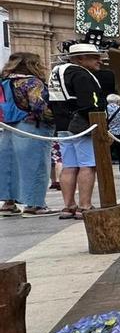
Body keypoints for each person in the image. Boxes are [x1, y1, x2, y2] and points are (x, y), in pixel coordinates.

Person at [47, 43, 105, 218]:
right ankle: (84, 205)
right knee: (88, 165)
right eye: (95, 57)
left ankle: (68, 206)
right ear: (80, 58)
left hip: (63, 125)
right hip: (82, 125)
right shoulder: (81, 74)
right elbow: (89, 102)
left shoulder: (56, 72)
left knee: (69, 166)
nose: (99, 61)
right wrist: (99, 123)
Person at [0, 52, 55, 216]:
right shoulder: (31, 82)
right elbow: (39, 106)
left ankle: (8, 203)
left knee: (9, 165)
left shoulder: (4, 81)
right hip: (31, 126)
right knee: (36, 165)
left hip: (8, 126)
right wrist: (55, 118)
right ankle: (35, 205)